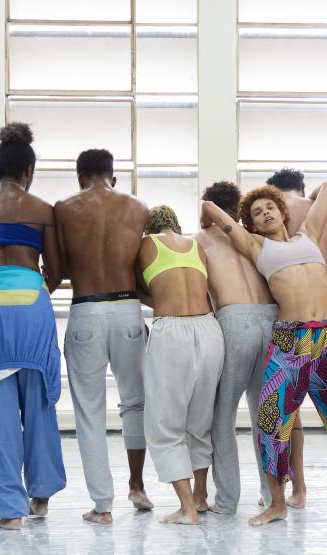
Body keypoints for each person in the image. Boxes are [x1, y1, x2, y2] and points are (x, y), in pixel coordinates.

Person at [201, 182, 327, 527]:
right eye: (257, 212)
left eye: (270, 207)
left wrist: (306, 194)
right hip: (288, 342)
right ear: (250, 224)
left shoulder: (309, 234)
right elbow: (210, 208)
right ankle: (278, 503)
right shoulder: (255, 245)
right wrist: (226, 212)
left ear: (283, 212)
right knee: (271, 422)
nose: (266, 213)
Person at [0, 122, 66, 530]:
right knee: (39, 398)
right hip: (29, 298)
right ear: (28, 171)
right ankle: (39, 496)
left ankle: (9, 510)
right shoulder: (42, 209)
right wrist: (34, 289)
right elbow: (55, 270)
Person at [54, 149, 153, 524]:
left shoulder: (64, 208)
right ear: (114, 177)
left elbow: (59, 268)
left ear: (80, 178)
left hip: (86, 310)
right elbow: (145, 265)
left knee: (90, 413)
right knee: (136, 403)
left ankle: (103, 505)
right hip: (128, 308)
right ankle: (137, 485)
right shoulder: (138, 207)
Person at [266, 167, 327, 508]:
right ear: (303, 188)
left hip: (297, 315)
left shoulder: (277, 216)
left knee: (291, 409)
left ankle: (299, 489)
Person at [193, 181, 277, 514]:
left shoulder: (199, 241)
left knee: (222, 413)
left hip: (234, 319)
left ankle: (227, 500)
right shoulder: (253, 237)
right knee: (265, 414)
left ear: (206, 210)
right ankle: (271, 496)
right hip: (271, 320)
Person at [138, 206, 224, 525]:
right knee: (199, 423)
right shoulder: (196, 246)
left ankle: (187, 508)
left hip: (172, 331)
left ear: (149, 226)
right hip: (209, 329)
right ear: (176, 223)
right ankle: (200, 497)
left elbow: (143, 289)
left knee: (165, 426)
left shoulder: (147, 244)